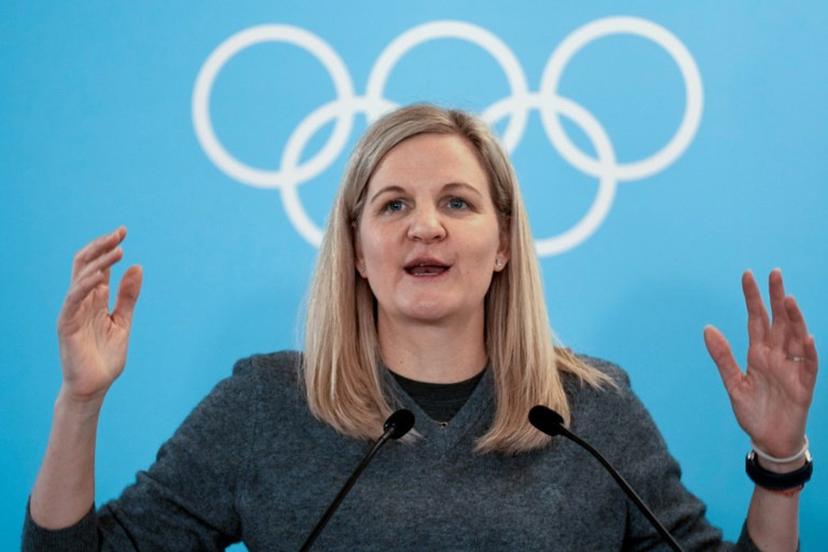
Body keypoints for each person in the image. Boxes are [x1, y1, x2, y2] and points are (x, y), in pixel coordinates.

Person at [24, 105, 818, 551]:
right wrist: (79, 404)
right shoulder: (266, 404)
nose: (426, 227)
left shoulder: (591, 413)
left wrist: (780, 458)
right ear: (358, 250)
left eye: (458, 202)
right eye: (394, 204)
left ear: (504, 244)